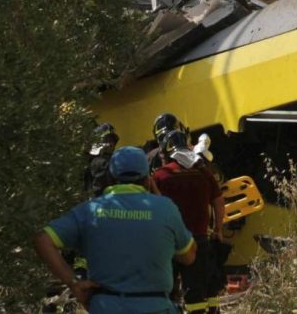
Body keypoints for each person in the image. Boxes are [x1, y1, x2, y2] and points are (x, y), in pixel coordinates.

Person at [34, 146, 196, 314]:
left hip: (106, 305)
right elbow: (188, 256)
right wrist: (160, 202)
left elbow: (43, 240)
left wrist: (74, 282)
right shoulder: (165, 209)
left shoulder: (90, 210)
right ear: (148, 180)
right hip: (156, 306)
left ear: (110, 178)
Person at [153, 130, 226, 314]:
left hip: (169, 242)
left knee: (166, 290)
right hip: (199, 240)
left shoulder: (160, 176)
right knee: (197, 292)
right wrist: (218, 229)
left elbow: (151, 206)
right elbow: (218, 202)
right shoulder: (204, 173)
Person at [84, 122, 120, 197]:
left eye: (112, 141)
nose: (110, 144)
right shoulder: (101, 162)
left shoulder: (113, 161)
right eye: (106, 140)